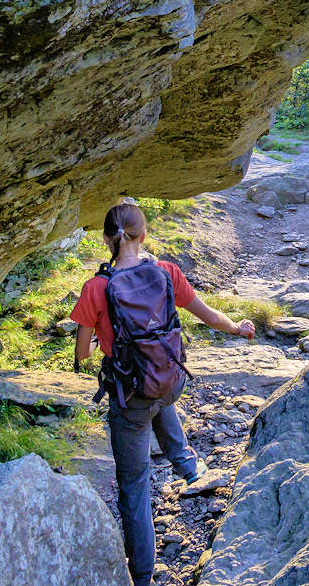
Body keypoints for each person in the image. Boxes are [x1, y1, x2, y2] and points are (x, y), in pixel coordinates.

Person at [70, 201, 254, 586]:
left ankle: (141, 575)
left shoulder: (96, 288)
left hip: (132, 396)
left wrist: (96, 338)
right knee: (157, 398)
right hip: (171, 381)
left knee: (134, 485)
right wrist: (237, 328)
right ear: (144, 235)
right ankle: (187, 463)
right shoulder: (167, 273)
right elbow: (209, 315)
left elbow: (83, 353)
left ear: (106, 239)